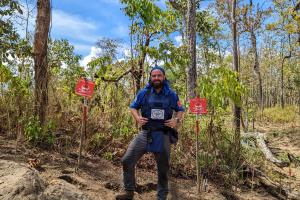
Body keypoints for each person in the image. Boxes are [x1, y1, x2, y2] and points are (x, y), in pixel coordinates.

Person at [115, 66, 184, 200]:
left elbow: (180, 109)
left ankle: (161, 196)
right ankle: (129, 191)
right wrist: (138, 118)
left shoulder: (171, 94)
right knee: (127, 160)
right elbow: (133, 107)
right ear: (150, 77)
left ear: (164, 77)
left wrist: (176, 119)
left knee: (163, 169)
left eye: (159, 75)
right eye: (154, 76)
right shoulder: (143, 93)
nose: (156, 78)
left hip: (163, 134)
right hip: (145, 133)